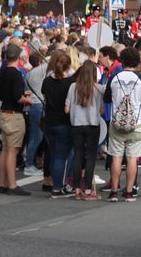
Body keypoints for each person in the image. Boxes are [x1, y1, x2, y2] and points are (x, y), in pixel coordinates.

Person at [103, 48, 141, 202]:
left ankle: (114, 191)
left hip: (117, 123)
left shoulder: (114, 78)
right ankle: (130, 192)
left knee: (116, 157)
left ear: (122, 61)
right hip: (136, 124)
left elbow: (107, 98)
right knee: (132, 158)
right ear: (137, 62)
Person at [0, 44, 33, 195]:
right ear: (18, 57)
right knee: (13, 150)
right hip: (14, 115)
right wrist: (28, 100)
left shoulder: (3, 72)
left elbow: (2, 95)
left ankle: (3, 183)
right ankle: (12, 184)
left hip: (4, 111)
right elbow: (18, 97)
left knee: (5, 149)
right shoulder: (16, 74)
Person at [66, 60, 105, 199]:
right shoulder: (98, 89)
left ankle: (77, 189)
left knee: (78, 155)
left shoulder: (73, 87)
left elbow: (66, 108)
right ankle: (88, 189)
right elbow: (102, 110)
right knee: (90, 157)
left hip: (76, 124)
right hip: (92, 125)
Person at [42, 51, 75, 197]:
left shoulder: (47, 81)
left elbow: (45, 97)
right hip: (64, 121)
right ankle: (58, 186)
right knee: (62, 156)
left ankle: (54, 183)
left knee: (54, 153)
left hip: (49, 121)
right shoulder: (71, 83)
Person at [24, 50, 47, 178]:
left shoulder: (29, 74)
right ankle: (29, 164)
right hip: (38, 105)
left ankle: (30, 162)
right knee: (37, 136)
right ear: (40, 61)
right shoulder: (40, 70)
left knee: (34, 136)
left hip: (33, 105)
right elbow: (50, 62)